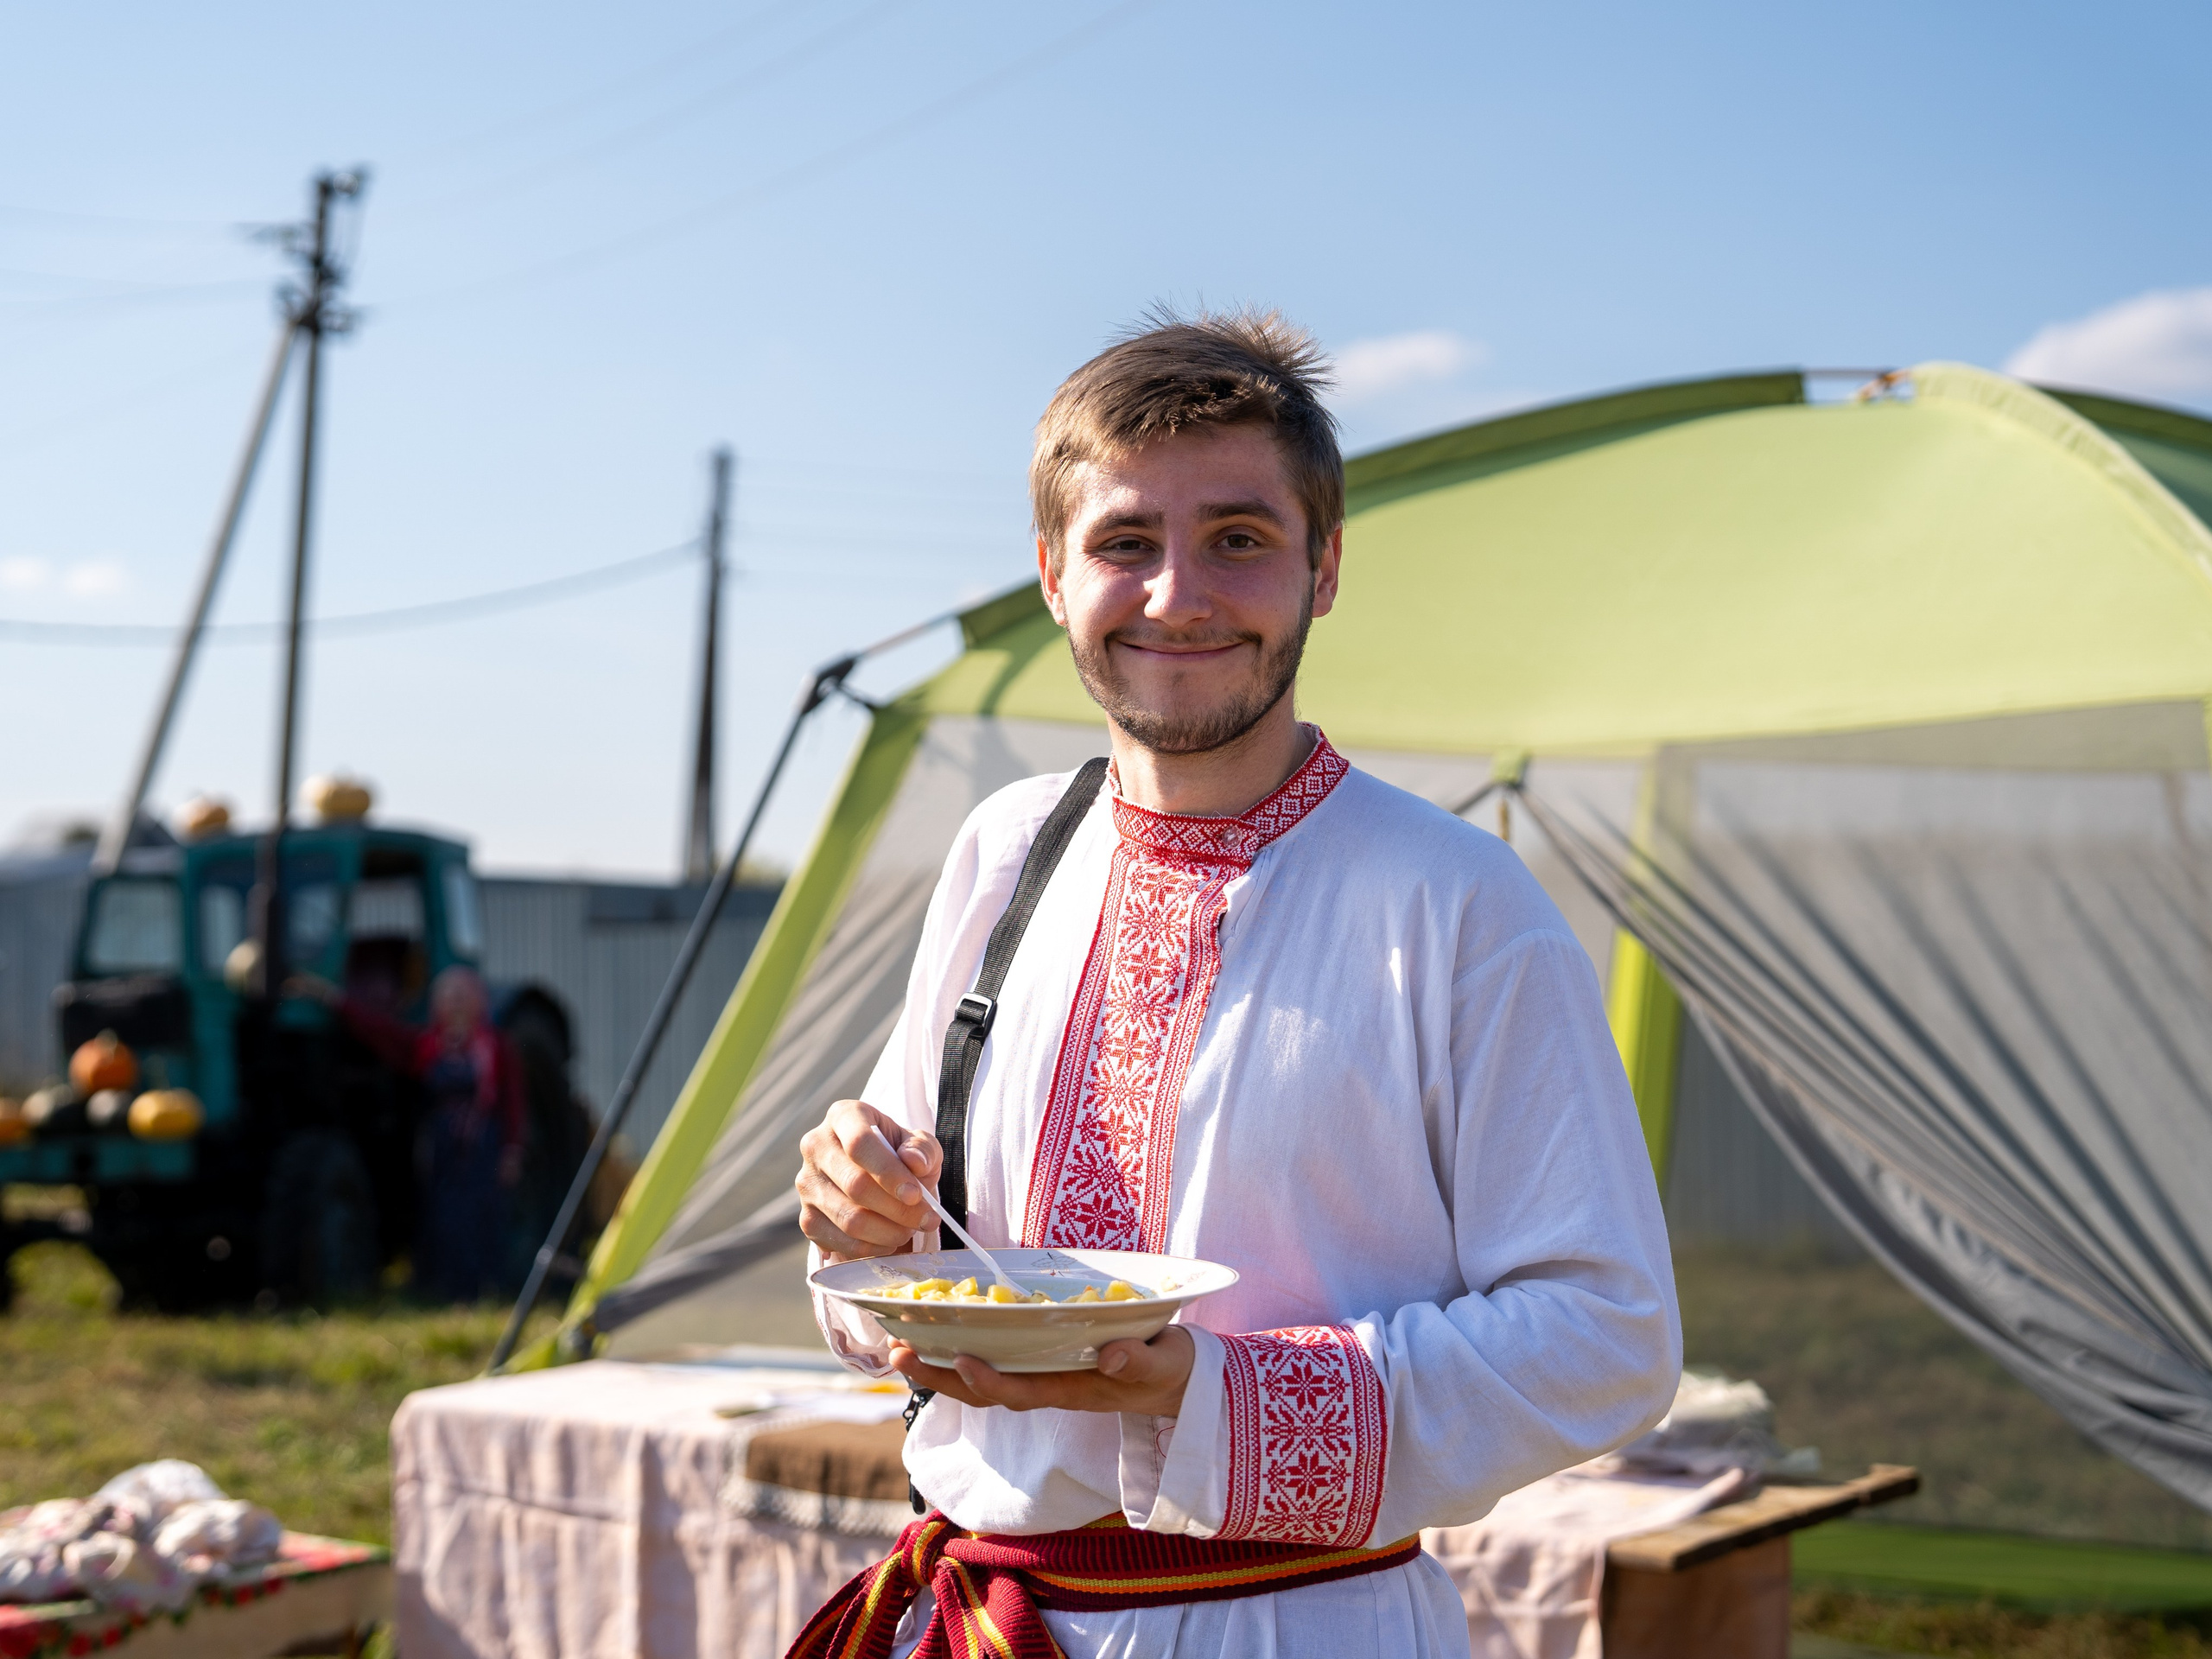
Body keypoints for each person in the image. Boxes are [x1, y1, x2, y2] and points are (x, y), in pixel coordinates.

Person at [791, 309, 1680, 1658]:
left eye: (1241, 540)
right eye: (1125, 543)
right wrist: (860, 1220)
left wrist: (1212, 1395)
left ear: (1324, 569)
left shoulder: (1456, 902)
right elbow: (906, 1264)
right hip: (976, 1613)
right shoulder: (1003, 852)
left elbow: (1607, 1335)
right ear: (1050, 574)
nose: (1178, 596)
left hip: (1297, 1623)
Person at [296, 964, 525, 1302]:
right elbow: (380, 1032)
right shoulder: (428, 1045)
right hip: (442, 1146)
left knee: (482, 1215)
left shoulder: (495, 1047)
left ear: (477, 1001)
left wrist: (512, 1150)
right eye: (448, 997)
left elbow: (514, 1102)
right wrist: (334, 1000)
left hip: (482, 1146)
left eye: (462, 996)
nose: (456, 1004)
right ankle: (447, 1292)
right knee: (444, 1216)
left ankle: (485, 1291)